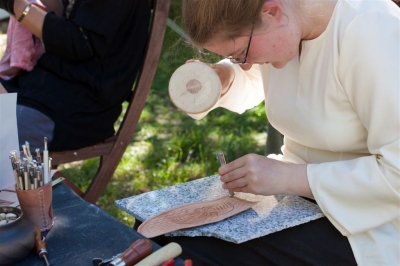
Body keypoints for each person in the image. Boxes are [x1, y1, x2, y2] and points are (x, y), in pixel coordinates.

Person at [152, 0, 400, 265]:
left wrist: (289, 177)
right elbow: (271, 80)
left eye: (241, 53)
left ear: (271, 11)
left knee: (197, 252)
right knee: (158, 232)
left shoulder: (370, 31)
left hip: (373, 222)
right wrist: (225, 76)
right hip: (300, 194)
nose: (245, 65)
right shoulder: (290, 23)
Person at [0, 0, 151, 151]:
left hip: (79, 104)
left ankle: (32, 173)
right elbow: (65, 14)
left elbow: (79, 42)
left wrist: (15, 4)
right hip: (45, 86)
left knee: (5, 134)